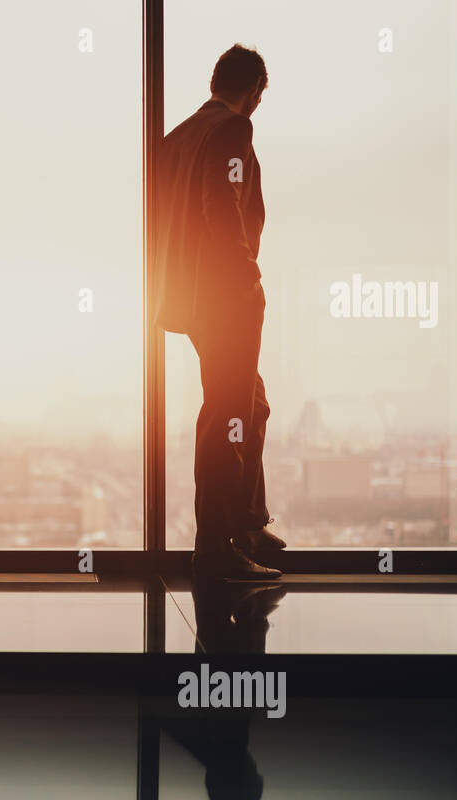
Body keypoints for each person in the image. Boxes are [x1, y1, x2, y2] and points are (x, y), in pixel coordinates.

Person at [153, 44, 285, 580]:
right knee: (228, 413)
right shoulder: (232, 130)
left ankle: (246, 522)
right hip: (224, 296)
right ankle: (215, 546)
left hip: (188, 296)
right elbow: (221, 205)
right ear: (254, 90)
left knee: (249, 403)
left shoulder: (177, 137)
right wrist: (244, 277)